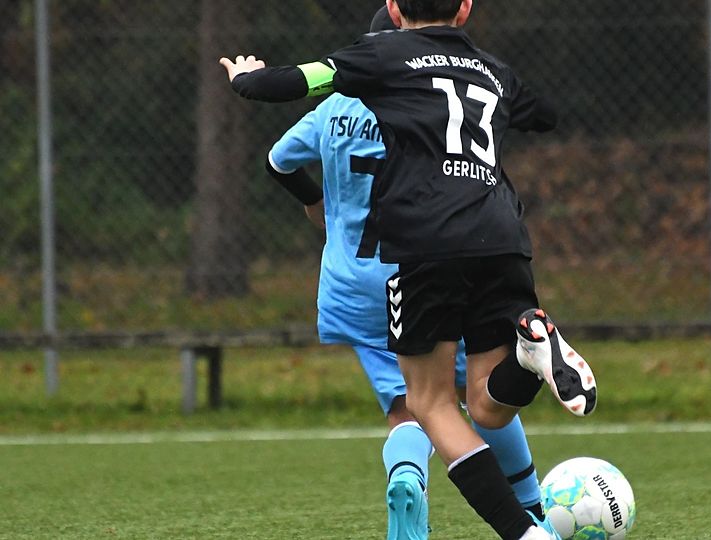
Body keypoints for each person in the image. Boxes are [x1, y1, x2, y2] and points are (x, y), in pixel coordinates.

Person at [221, 2, 597, 538]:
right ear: (465, 7)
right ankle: (528, 355)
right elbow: (548, 114)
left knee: (426, 403)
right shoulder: (491, 69)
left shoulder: (377, 64)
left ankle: (525, 532)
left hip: (416, 250)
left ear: (395, 12)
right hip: (501, 235)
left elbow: (291, 88)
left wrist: (246, 78)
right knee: (487, 406)